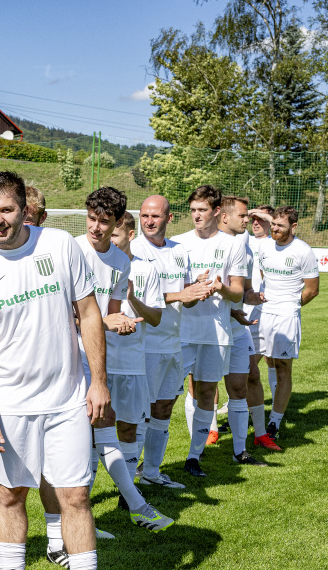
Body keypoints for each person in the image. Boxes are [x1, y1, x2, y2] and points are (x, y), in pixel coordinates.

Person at [0, 171, 112, 570]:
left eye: (6, 209)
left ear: (25, 208)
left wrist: (98, 381)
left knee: (75, 497)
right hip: (9, 407)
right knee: (9, 495)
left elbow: (89, 313)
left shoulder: (60, 245)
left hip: (67, 400)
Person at [75, 191, 173, 531]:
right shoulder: (72, 251)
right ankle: (135, 507)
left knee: (100, 433)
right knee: (92, 436)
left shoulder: (121, 262)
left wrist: (120, 323)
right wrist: (103, 322)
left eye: (104, 222)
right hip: (69, 357)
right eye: (91, 219)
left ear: (118, 223)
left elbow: (109, 314)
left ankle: (85, 521)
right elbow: (60, 314)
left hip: (97, 358)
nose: (96, 228)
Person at [130, 196, 211, 489]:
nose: (149, 221)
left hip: (174, 343)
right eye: (144, 216)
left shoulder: (179, 251)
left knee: (164, 410)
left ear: (169, 218)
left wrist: (197, 289)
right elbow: (138, 297)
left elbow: (186, 299)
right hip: (146, 345)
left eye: (155, 216)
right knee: (141, 414)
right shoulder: (134, 251)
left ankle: (151, 473)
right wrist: (181, 295)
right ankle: (129, 481)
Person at [175, 185, 247, 478]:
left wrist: (220, 288)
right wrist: (191, 287)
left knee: (206, 392)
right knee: (165, 396)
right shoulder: (178, 244)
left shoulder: (233, 245)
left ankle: (194, 456)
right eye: (193, 210)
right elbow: (170, 289)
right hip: (181, 332)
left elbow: (238, 291)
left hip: (216, 333)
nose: (196, 215)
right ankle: (151, 462)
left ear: (217, 211)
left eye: (202, 210)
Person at [244, 205, 319, 442]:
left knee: (282, 367)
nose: (275, 229)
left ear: (293, 227)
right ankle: (247, 414)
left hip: (286, 316)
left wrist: (290, 305)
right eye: (273, 224)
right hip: (261, 312)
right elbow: (264, 275)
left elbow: (312, 289)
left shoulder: (303, 251)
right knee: (247, 365)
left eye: (280, 226)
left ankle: (274, 422)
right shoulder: (265, 246)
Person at [213, 195, 266, 465]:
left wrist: (252, 297)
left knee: (240, 385)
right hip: (209, 328)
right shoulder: (207, 245)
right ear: (224, 216)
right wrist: (229, 309)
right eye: (243, 215)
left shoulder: (245, 249)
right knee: (202, 387)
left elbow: (243, 290)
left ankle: (239, 451)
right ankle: (199, 447)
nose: (247, 220)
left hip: (236, 326)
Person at [246, 206, 281, 451]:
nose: (255, 223)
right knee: (247, 365)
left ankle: (272, 417)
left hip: (265, 310)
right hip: (242, 308)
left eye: (261, 219)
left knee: (270, 360)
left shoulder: (275, 244)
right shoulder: (243, 240)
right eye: (253, 219)